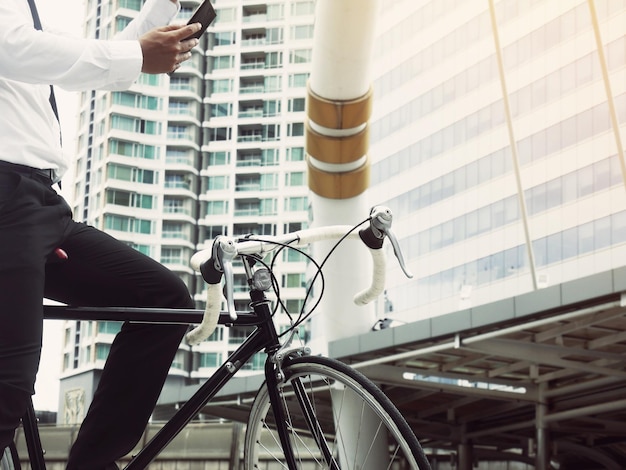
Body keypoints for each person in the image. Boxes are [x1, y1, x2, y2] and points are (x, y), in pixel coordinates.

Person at [0, 0, 203, 468]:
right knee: (8, 380)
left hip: (40, 205)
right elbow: (13, 47)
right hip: (8, 197)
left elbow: (77, 62)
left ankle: (92, 464)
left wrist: (161, 11)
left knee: (163, 301)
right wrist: (136, 57)